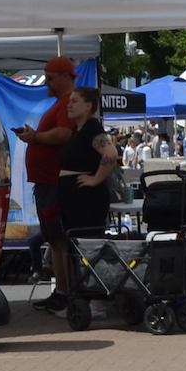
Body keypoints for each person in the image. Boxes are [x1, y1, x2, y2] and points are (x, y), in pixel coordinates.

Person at [13, 57, 78, 312]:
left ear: (65, 76)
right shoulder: (61, 103)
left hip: (53, 182)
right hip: (47, 182)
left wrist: (36, 137)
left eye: (50, 78)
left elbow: (64, 133)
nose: (47, 83)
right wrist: (36, 137)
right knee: (54, 239)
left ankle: (66, 293)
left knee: (59, 239)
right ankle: (61, 290)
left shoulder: (66, 103)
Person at [54, 87, 118, 331]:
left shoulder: (93, 129)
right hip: (72, 197)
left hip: (87, 199)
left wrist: (96, 179)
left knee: (90, 246)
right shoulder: (77, 130)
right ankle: (84, 297)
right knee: (77, 247)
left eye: (74, 101)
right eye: (69, 101)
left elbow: (110, 153)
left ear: (88, 106)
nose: (69, 105)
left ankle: (97, 302)